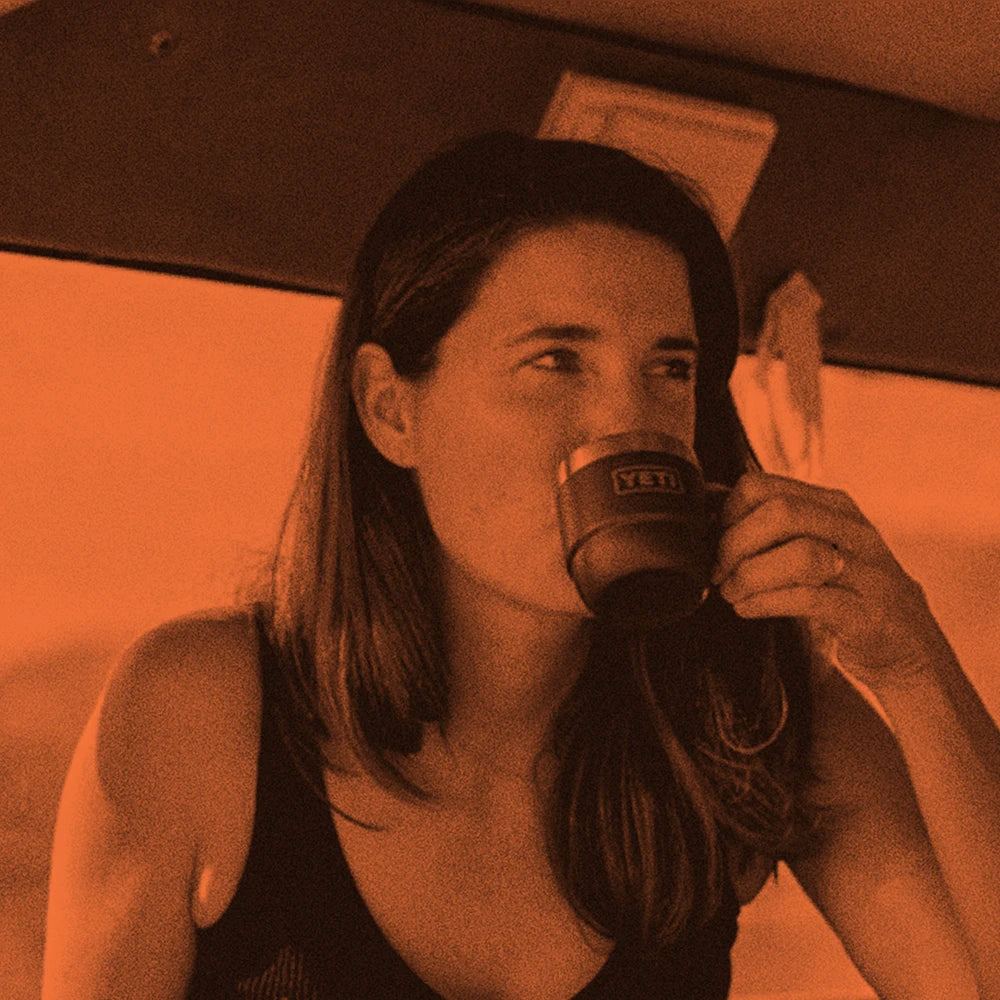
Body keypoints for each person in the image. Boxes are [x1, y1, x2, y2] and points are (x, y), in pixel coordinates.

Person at [42, 133, 999, 1000]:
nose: (626, 423)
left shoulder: (750, 715)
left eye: (670, 370)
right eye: (556, 362)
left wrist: (911, 661)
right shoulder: (200, 713)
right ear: (390, 410)